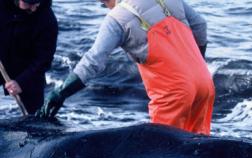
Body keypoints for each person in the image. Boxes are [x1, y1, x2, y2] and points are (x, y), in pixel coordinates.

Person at [39, 0, 214, 135]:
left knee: (164, 154)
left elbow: (93, 61)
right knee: (198, 148)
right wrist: (196, 64)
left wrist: (61, 93)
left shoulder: (117, 17)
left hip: (174, 94)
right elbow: (200, 25)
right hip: (205, 83)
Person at [0, 0, 58, 114]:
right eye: (29, 3)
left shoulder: (47, 20)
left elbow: (44, 60)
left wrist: (21, 82)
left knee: (34, 118)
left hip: (28, 70)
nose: (34, 8)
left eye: (37, 3)